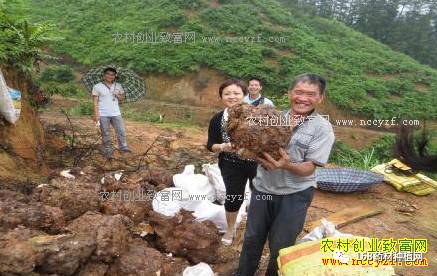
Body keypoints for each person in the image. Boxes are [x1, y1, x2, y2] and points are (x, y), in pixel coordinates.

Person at [237, 73, 335, 276]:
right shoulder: (272, 118)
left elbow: (310, 167)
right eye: (299, 92)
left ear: (320, 98)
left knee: (281, 246)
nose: (303, 98)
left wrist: (287, 165)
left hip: (294, 194)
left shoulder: (322, 128)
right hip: (263, 189)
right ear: (290, 93)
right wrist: (245, 149)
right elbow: (253, 148)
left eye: (311, 94)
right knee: (252, 238)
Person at [207, 79, 258, 246]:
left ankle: (254, 229)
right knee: (233, 197)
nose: (232, 96)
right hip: (230, 164)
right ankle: (230, 229)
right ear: (221, 97)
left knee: (259, 197)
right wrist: (223, 146)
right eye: (227, 93)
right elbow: (210, 145)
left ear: (244, 95)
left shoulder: (256, 115)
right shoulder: (217, 119)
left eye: (236, 93)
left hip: (256, 164)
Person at [92, 67, 131, 159]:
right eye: (108, 74)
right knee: (105, 132)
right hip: (103, 114)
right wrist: (96, 114)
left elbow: (122, 99)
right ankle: (108, 149)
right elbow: (95, 102)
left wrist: (118, 95)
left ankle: (123, 147)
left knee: (121, 131)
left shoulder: (118, 86)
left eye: (112, 75)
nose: (110, 76)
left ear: (115, 76)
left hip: (116, 113)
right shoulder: (97, 86)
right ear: (104, 75)